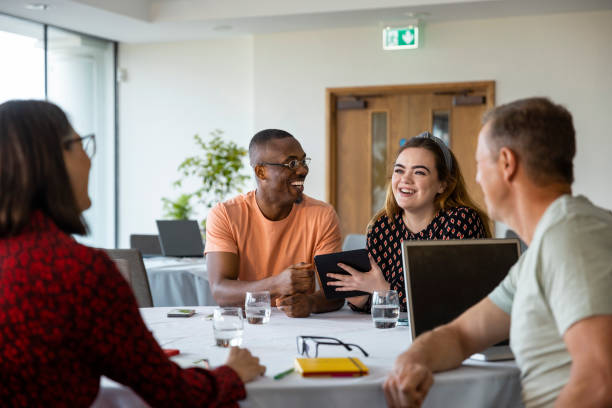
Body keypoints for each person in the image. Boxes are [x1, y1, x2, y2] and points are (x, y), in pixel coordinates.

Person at [0, 100, 265, 407]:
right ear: (50, 160)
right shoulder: (79, 271)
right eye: (79, 144)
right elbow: (171, 393)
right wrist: (231, 374)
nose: (88, 158)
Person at [383, 98, 612, 408]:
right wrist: (414, 358)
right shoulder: (544, 249)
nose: (476, 179)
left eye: (480, 164)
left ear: (507, 163)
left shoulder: (572, 237)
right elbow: (462, 335)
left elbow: (601, 381)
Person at [328, 132, 489, 312]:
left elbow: (452, 298)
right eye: (399, 170)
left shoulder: (460, 220)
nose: (405, 179)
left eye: (419, 172)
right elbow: (379, 304)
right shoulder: (381, 226)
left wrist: (383, 291)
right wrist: (361, 298)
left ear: (443, 185)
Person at [205, 129, 344, 318]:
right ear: (261, 171)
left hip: (301, 327)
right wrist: (277, 285)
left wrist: (310, 303)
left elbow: (336, 294)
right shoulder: (225, 214)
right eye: (292, 163)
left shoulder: (322, 215)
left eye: (303, 161)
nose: (303, 170)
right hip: (248, 325)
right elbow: (220, 291)